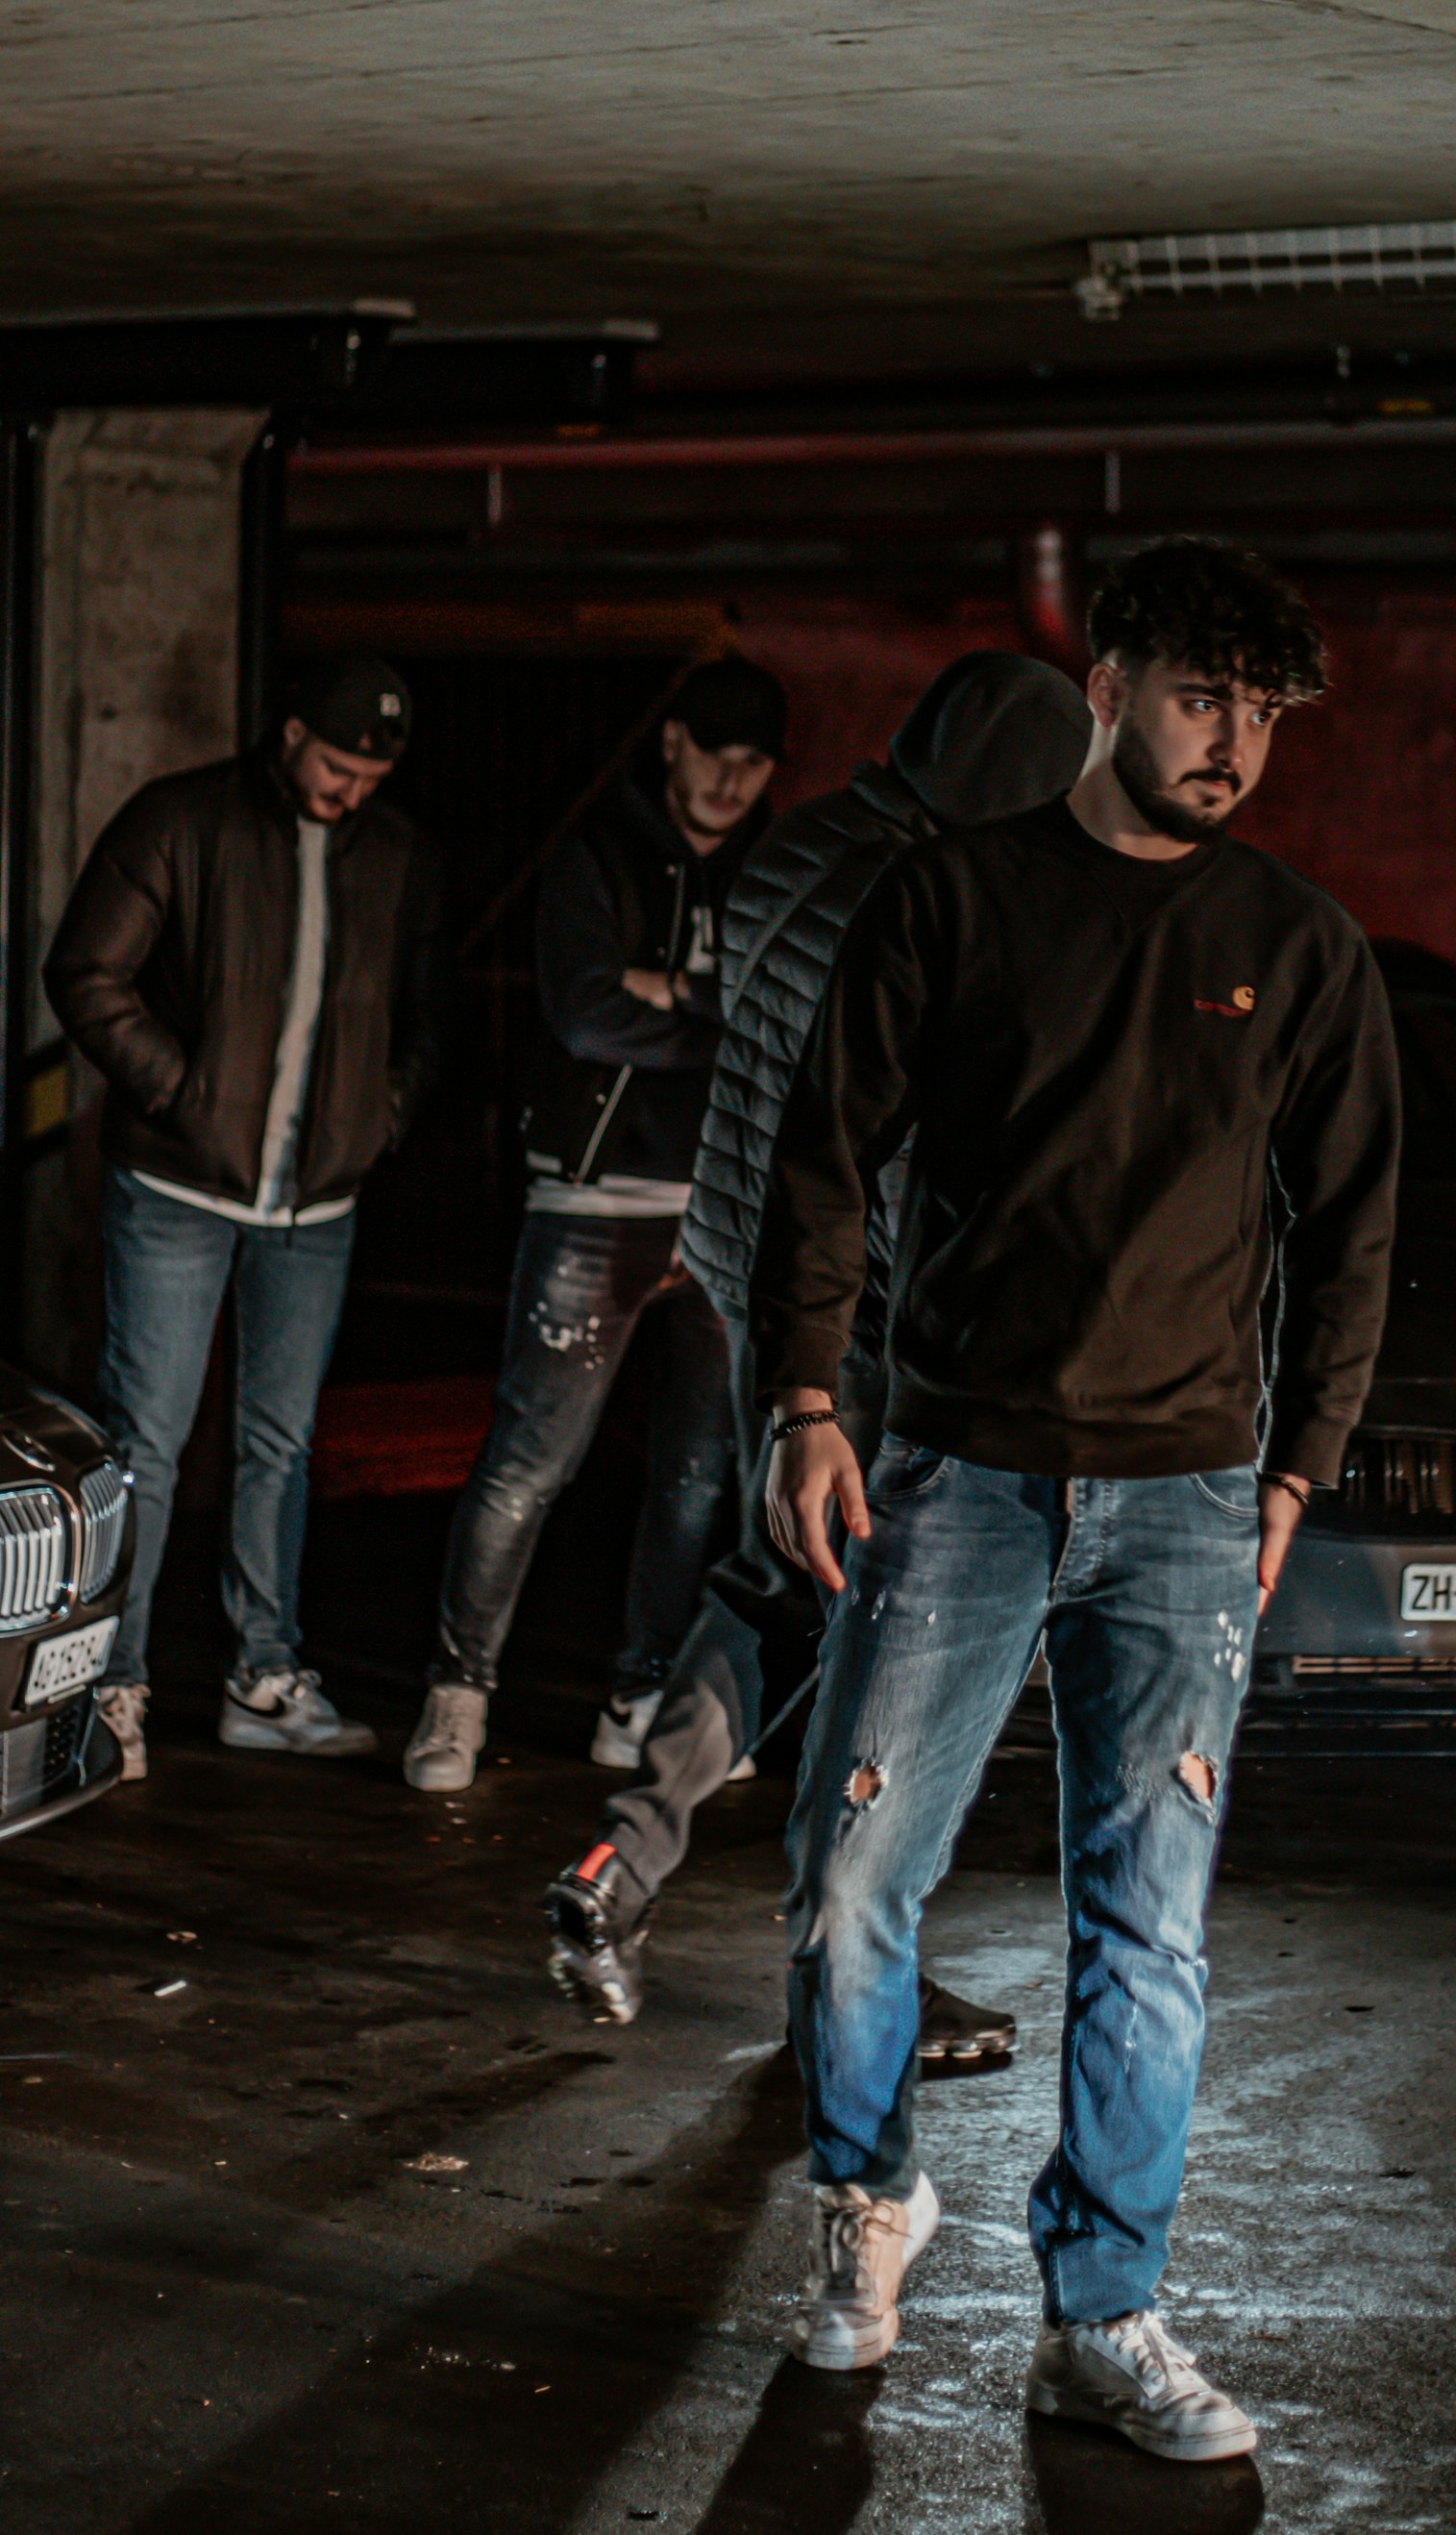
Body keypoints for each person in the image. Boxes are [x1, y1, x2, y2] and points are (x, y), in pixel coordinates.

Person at [753, 537, 1399, 2459]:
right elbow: (825, 1160)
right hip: (958, 1472)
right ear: (1109, 684)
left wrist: (1304, 1458)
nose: (1232, 744)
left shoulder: (1299, 944)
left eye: (1264, 714)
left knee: (1151, 1924)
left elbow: (1356, 1223)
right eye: (1202, 697)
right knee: (854, 1881)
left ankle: (1106, 2303)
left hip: (1191, 1499)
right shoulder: (951, 900)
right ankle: (870, 2204)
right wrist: (809, 1398)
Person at [542, 649, 1093, 2067]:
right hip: (861, 1314)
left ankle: (640, 1874)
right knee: (870, 1624)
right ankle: (837, 1981)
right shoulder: (925, 900)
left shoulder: (805, 848)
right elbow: (900, 1148)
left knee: (786, 1582)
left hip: (757, 1274)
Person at [45, 654, 444, 1773]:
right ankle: (112, 1685)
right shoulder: (181, 819)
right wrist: (180, 1094)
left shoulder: (401, 856)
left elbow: (428, 1012)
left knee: (281, 1441)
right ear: (289, 734)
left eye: (371, 772)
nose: (349, 788)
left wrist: (383, 1114)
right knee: (147, 1440)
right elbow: (84, 970)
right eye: (335, 762)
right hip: (177, 1186)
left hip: (317, 1202)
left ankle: (262, 1674)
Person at [403, 654, 785, 1794]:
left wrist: (666, 989)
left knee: (696, 1470)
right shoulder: (597, 850)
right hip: (592, 1193)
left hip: (722, 1200)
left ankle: (642, 1695)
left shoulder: (775, 868)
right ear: (670, 742)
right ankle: (456, 1695)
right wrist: (715, 1013)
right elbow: (582, 1012)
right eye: (712, 751)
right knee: (531, 1460)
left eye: (753, 760)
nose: (729, 778)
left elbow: (786, 1017)